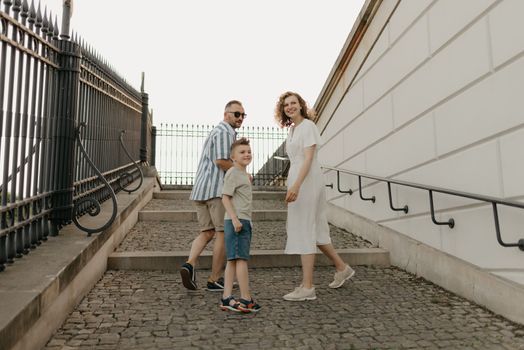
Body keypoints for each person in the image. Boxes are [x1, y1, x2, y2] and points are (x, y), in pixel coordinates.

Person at [274, 91, 355, 301]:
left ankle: (308, 287)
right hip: (299, 178)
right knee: (316, 228)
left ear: (301, 105)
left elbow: (308, 159)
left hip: (307, 180)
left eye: (293, 103)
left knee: (305, 228)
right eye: (286, 105)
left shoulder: (308, 127)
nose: (290, 107)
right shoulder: (293, 130)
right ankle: (341, 268)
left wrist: (297, 186)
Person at [180, 100, 246, 291]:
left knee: (206, 232)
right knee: (222, 233)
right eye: (236, 114)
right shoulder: (225, 131)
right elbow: (221, 161)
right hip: (216, 191)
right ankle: (215, 279)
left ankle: (189, 264)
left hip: (201, 190)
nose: (240, 118)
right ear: (226, 115)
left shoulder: (216, 131)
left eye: (243, 115)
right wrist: (242, 172)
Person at [220, 138, 261, 313]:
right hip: (237, 222)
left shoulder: (242, 174)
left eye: (248, 151)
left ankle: (226, 297)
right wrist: (235, 219)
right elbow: (225, 197)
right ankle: (246, 298)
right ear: (233, 157)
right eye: (242, 152)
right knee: (241, 260)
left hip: (242, 220)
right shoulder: (233, 173)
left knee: (232, 260)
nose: (247, 154)